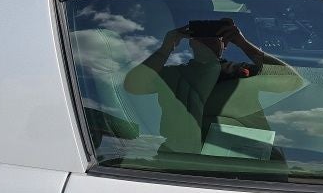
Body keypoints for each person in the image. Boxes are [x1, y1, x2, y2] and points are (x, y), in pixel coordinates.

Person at [123, 19, 301, 155]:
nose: (208, 40)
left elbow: (293, 82)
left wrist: (243, 43)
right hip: (179, 159)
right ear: (191, 41)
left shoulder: (242, 71)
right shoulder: (172, 74)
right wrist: (166, 47)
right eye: (201, 35)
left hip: (243, 158)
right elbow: (134, 86)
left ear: (225, 43)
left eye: (215, 36)